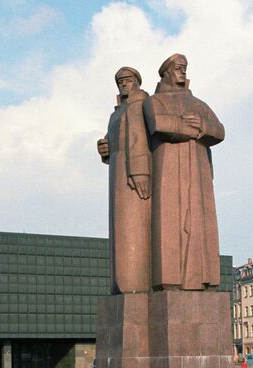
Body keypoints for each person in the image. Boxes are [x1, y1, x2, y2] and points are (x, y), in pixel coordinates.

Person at [143, 53, 225, 290]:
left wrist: (202, 125)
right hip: (167, 170)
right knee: (170, 222)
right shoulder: (155, 101)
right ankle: (170, 279)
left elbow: (219, 131)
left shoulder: (199, 104)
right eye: (178, 68)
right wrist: (190, 129)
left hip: (198, 173)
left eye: (185, 68)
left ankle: (202, 279)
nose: (183, 71)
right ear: (166, 73)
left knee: (199, 222)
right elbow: (159, 124)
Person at [97, 66, 151, 294]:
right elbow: (114, 140)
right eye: (120, 81)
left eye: (128, 80)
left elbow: (141, 138)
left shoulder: (143, 105)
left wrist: (140, 171)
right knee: (119, 229)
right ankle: (122, 283)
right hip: (117, 171)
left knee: (133, 225)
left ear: (137, 81)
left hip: (134, 172)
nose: (123, 84)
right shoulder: (116, 112)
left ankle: (134, 283)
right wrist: (105, 148)